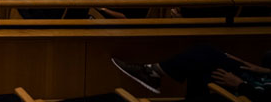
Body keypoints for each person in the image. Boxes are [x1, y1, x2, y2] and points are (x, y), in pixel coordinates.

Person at [112, 45, 271, 99]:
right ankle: (152, 73)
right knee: (207, 53)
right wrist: (266, 70)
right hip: (260, 79)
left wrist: (240, 85)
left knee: (202, 66)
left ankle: (152, 73)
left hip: (251, 92)